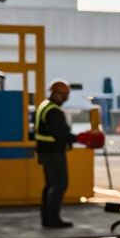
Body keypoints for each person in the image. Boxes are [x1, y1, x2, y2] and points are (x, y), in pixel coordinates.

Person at [34, 79, 76, 229]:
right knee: (59, 185)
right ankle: (53, 219)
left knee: (50, 186)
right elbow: (61, 133)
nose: (65, 98)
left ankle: (46, 218)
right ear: (58, 94)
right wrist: (79, 138)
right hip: (53, 153)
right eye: (65, 95)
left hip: (45, 152)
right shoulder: (53, 111)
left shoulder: (44, 106)